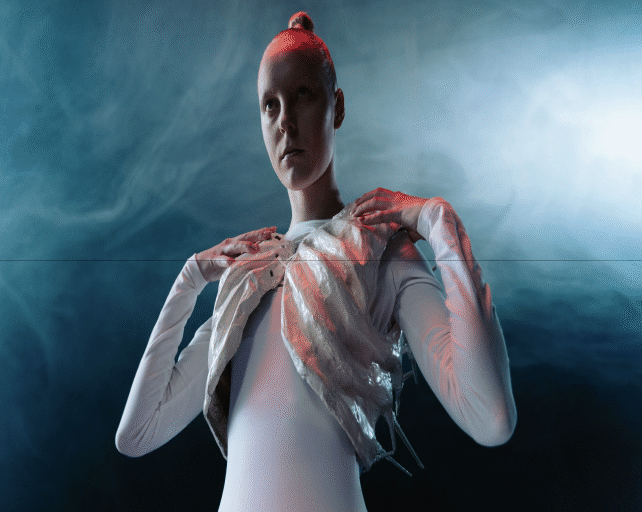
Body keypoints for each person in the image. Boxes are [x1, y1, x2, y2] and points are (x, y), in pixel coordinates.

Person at [115, 12, 517, 512]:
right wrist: (189, 280)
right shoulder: (248, 275)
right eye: (270, 105)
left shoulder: (379, 248)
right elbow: (137, 433)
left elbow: (491, 416)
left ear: (337, 106)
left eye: (303, 94)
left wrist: (440, 223)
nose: (285, 121)